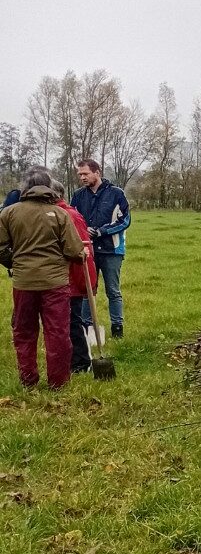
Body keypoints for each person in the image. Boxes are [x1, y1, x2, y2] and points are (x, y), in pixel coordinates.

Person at [0, 167, 86, 389]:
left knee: (24, 332)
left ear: (25, 187)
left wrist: (15, 262)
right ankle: (58, 382)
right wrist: (80, 255)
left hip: (23, 282)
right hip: (55, 284)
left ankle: (28, 381)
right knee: (57, 332)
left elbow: (1, 247)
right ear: (49, 187)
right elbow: (74, 250)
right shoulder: (59, 214)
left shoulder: (9, 213)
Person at [70, 158, 130, 338]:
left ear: (97, 172)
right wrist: (83, 230)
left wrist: (101, 231)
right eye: (80, 174)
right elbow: (71, 218)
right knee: (88, 289)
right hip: (88, 249)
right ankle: (87, 328)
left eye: (85, 173)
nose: (82, 177)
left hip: (112, 249)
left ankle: (117, 328)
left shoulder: (116, 193)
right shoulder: (78, 195)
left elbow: (125, 220)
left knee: (113, 290)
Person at [56, 194, 98, 374]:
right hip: (61, 278)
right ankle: (72, 360)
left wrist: (86, 281)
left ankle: (81, 362)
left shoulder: (69, 215)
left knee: (73, 321)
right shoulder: (56, 213)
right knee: (65, 322)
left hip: (71, 278)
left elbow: (83, 250)